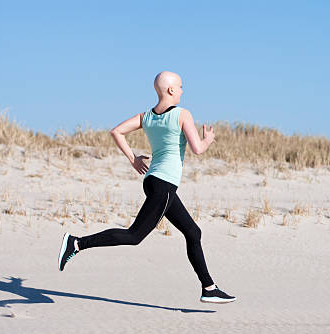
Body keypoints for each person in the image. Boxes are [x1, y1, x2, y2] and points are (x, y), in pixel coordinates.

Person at [57, 71, 236, 304]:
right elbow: (198, 149)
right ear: (171, 90)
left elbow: (116, 131)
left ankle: (209, 288)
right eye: (180, 87)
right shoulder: (183, 114)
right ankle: (77, 243)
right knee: (134, 236)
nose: (182, 91)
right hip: (164, 186)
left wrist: (133, 159)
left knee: (193, 232)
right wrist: (208, 139)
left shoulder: (147, 117)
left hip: (154, 182)